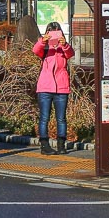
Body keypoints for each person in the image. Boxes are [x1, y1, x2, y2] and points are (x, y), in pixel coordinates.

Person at [33, 21, 75, 154]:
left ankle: (61, 145)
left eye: (57, 32)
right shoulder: (45, 50)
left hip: (61, 88)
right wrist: (42, 41)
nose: (54, 35)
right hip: (45, 87)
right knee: (44, 117)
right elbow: (35, 50)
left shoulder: (63, 49)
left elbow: (70, 54)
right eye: (51, 32)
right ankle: (44, 146)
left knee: (61, 118)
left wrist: (65, 45)